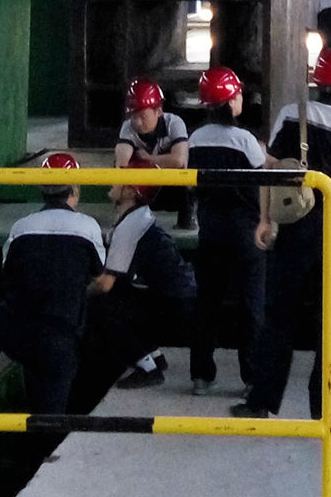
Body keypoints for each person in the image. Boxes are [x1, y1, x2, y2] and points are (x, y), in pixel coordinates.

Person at [233, 47, 331, 421]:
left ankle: (261, 401)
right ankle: (325, 407)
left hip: (295, 228)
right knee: (330, 319)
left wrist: (265, 219)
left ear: (316, 81)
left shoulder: (291, 114)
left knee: (279, 314)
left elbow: (269, 168)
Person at [0, 152, 103, 415]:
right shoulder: (88, 227)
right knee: (49, 418)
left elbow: (7, 274)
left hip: (16, 336)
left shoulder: (21, 227)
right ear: (75, 188)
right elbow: (101, 279)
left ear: (41, 188)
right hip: (59, 342)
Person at [68, 178, 197, 414]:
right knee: (121, 293)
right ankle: (154, 355)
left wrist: (76, 296)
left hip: (176, 308)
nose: (113, 182)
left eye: (121, 182)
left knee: (97, 306)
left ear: (131, 193)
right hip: (176, 301)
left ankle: (148, 369)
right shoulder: (136, 217)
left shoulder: (131, 226)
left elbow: (105, 284)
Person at [187, 66, 266, 396]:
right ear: (232, 101)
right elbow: (263, 181)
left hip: (210, 227)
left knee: (207, 302)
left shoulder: (195, 139)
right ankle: (252, 379)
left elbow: (191, 184)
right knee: (251, 303)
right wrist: (267, 221)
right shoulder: (245, 140)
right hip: (245, 230)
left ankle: (201, 375)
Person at [114, 76, 189, 385]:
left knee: (112, 305)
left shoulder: (174, 123)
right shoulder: (128, 128)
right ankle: (152, 354)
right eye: (133, 114)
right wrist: (143, 168)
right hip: (146, 190)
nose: (137, 120)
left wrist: (147, 160)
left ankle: (147, 363)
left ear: (158, 111)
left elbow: (180, 161)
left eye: (143, 114)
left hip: (169, 187)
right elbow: (122, 166)